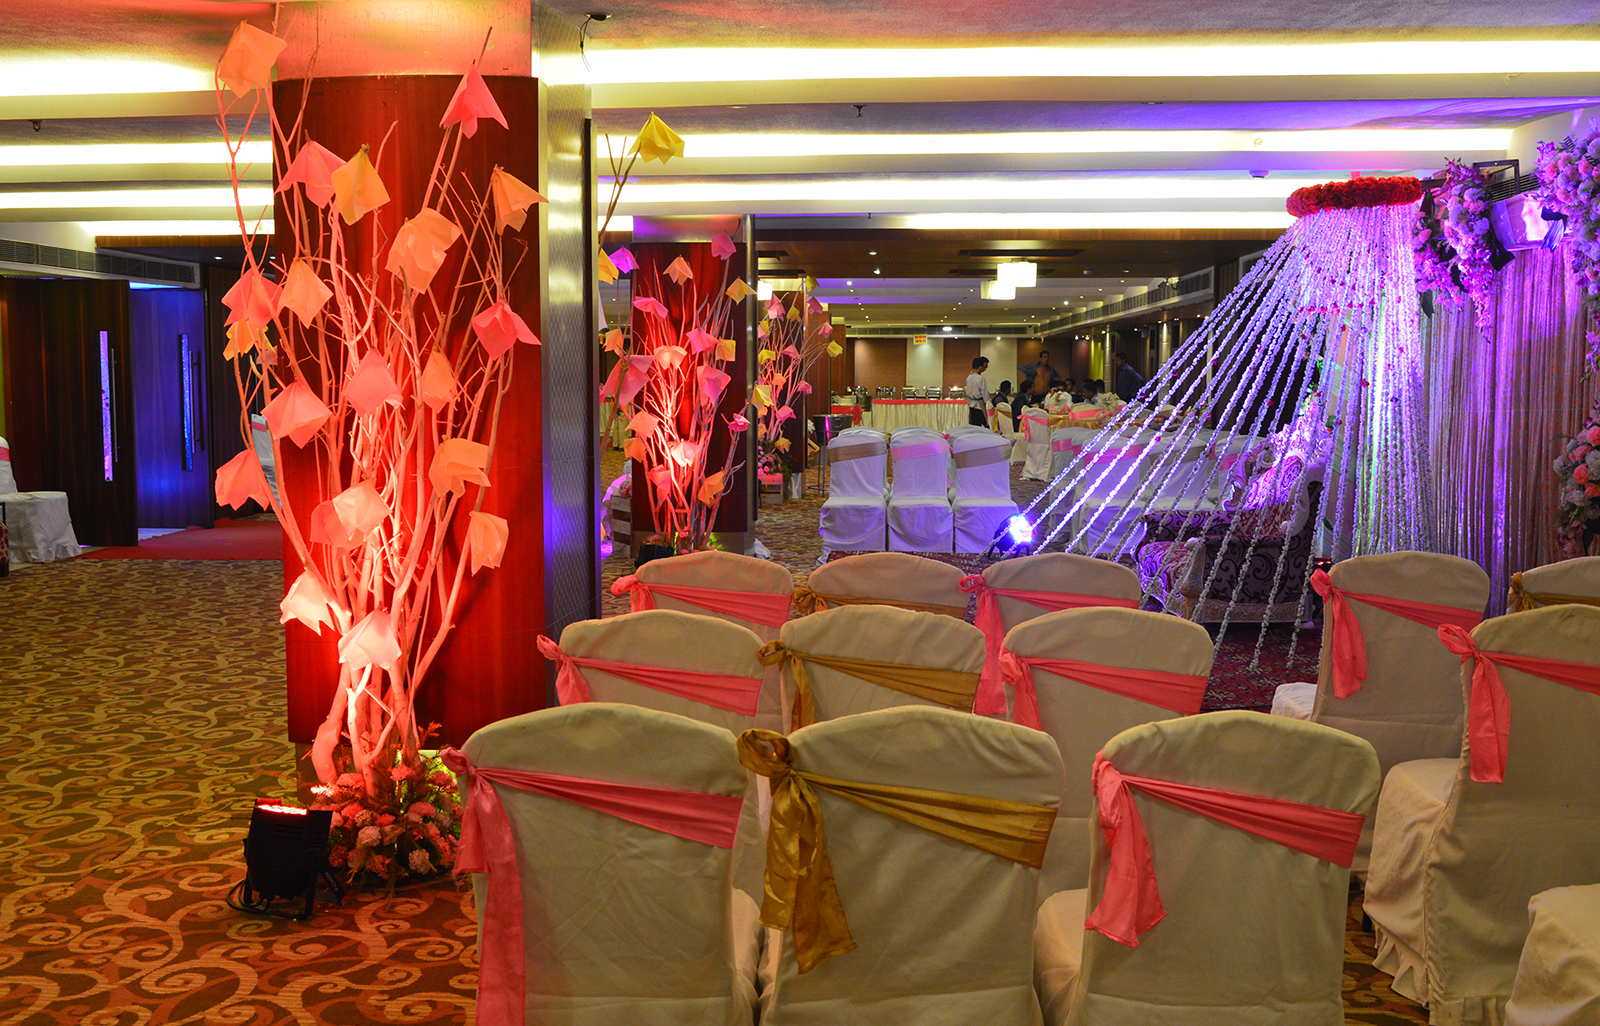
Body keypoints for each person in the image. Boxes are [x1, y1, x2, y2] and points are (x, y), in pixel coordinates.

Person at [965, 356, 991, 427]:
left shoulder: (968, 378)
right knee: (987, 425)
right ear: (980, 367)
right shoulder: (981, 378)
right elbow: (984, 393)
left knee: (975, 426)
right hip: (980, 405)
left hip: (971, 405)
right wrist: (988, 403)